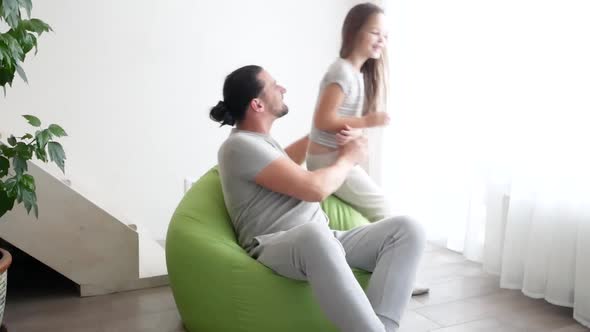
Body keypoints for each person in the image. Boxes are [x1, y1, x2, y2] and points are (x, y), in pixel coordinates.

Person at [211, 64, 425, 332]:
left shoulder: (259, 142)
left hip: (324, 241)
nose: (283, 88)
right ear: (257, 104)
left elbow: (285, 163)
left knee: (407, 229)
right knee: (315, 235)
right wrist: (349, 158)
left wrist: (323, 135)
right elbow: (315, 189)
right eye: (274, 85)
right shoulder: (238, 146)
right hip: (275, 245)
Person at [306, 3, 429, 297]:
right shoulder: (342, 71)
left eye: (385, 35)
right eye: (375, 32)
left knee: (379, 206)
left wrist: (355, 133)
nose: (381, 41)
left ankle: (381, 270)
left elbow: (337, 120)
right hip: (326, 161)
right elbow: (323, 118)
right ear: (353, 32)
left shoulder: (355, 74)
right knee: (384, 209)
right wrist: (366, 121)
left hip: (331, 157)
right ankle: (398, 280)